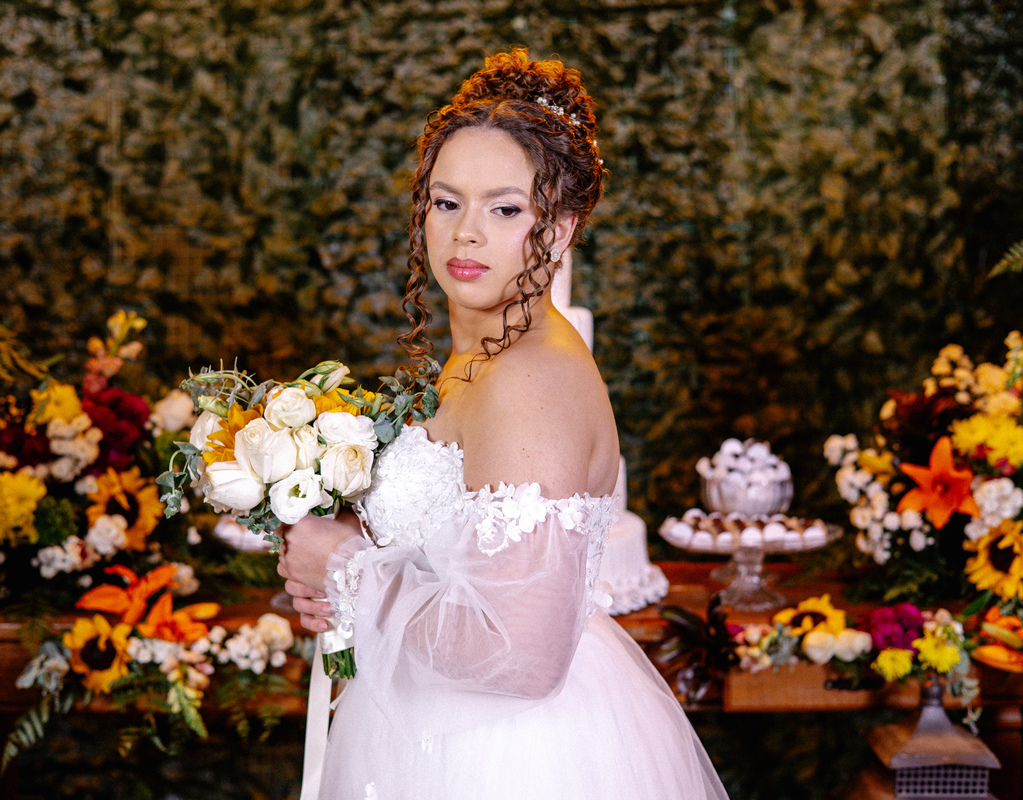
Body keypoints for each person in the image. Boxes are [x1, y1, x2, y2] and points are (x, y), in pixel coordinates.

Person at [277, 48, 729, 800]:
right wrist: (352, 536)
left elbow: (520, 656)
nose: (466, 233)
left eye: (506, 209)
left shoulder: (532, 380)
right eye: (447, 202)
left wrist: (345, 569)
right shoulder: (483, 358)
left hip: (503, 758)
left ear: (561, 228)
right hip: (425, 730)